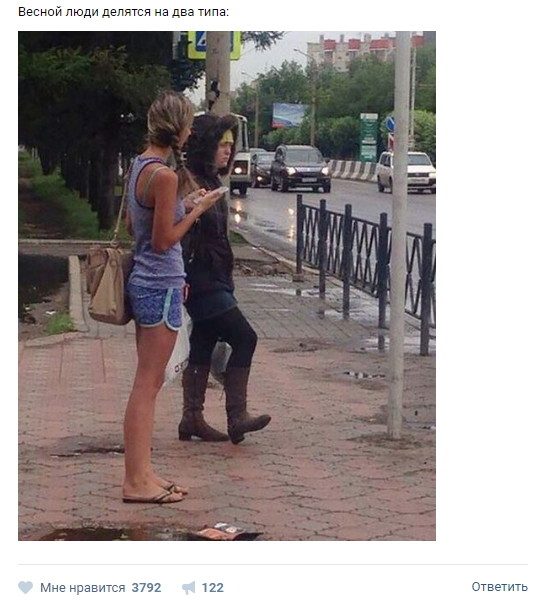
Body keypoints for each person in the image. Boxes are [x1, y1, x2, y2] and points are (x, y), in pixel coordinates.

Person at [122, 91, 223, 504]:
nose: (191, 132)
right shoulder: (163, 175)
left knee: (146, 383)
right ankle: (136, 481)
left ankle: (144, 472)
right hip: (158, 284)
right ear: (178, 128)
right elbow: (164, 240)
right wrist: (196, 211)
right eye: (189, 125)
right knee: (147, 386)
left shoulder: (140, 165)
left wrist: (182, 204)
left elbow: (137, 226)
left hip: (147, 282)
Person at [177, 113, 271, 445]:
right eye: (221, 144)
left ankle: (192, 418)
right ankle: (236, 416)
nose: (228, 151)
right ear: (205, 146)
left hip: (214, 276)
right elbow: (177, 230)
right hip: (199, 277)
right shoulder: (188, 181)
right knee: (245, 337)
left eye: (231, 145)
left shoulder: (212, 181)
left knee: (203, 341)